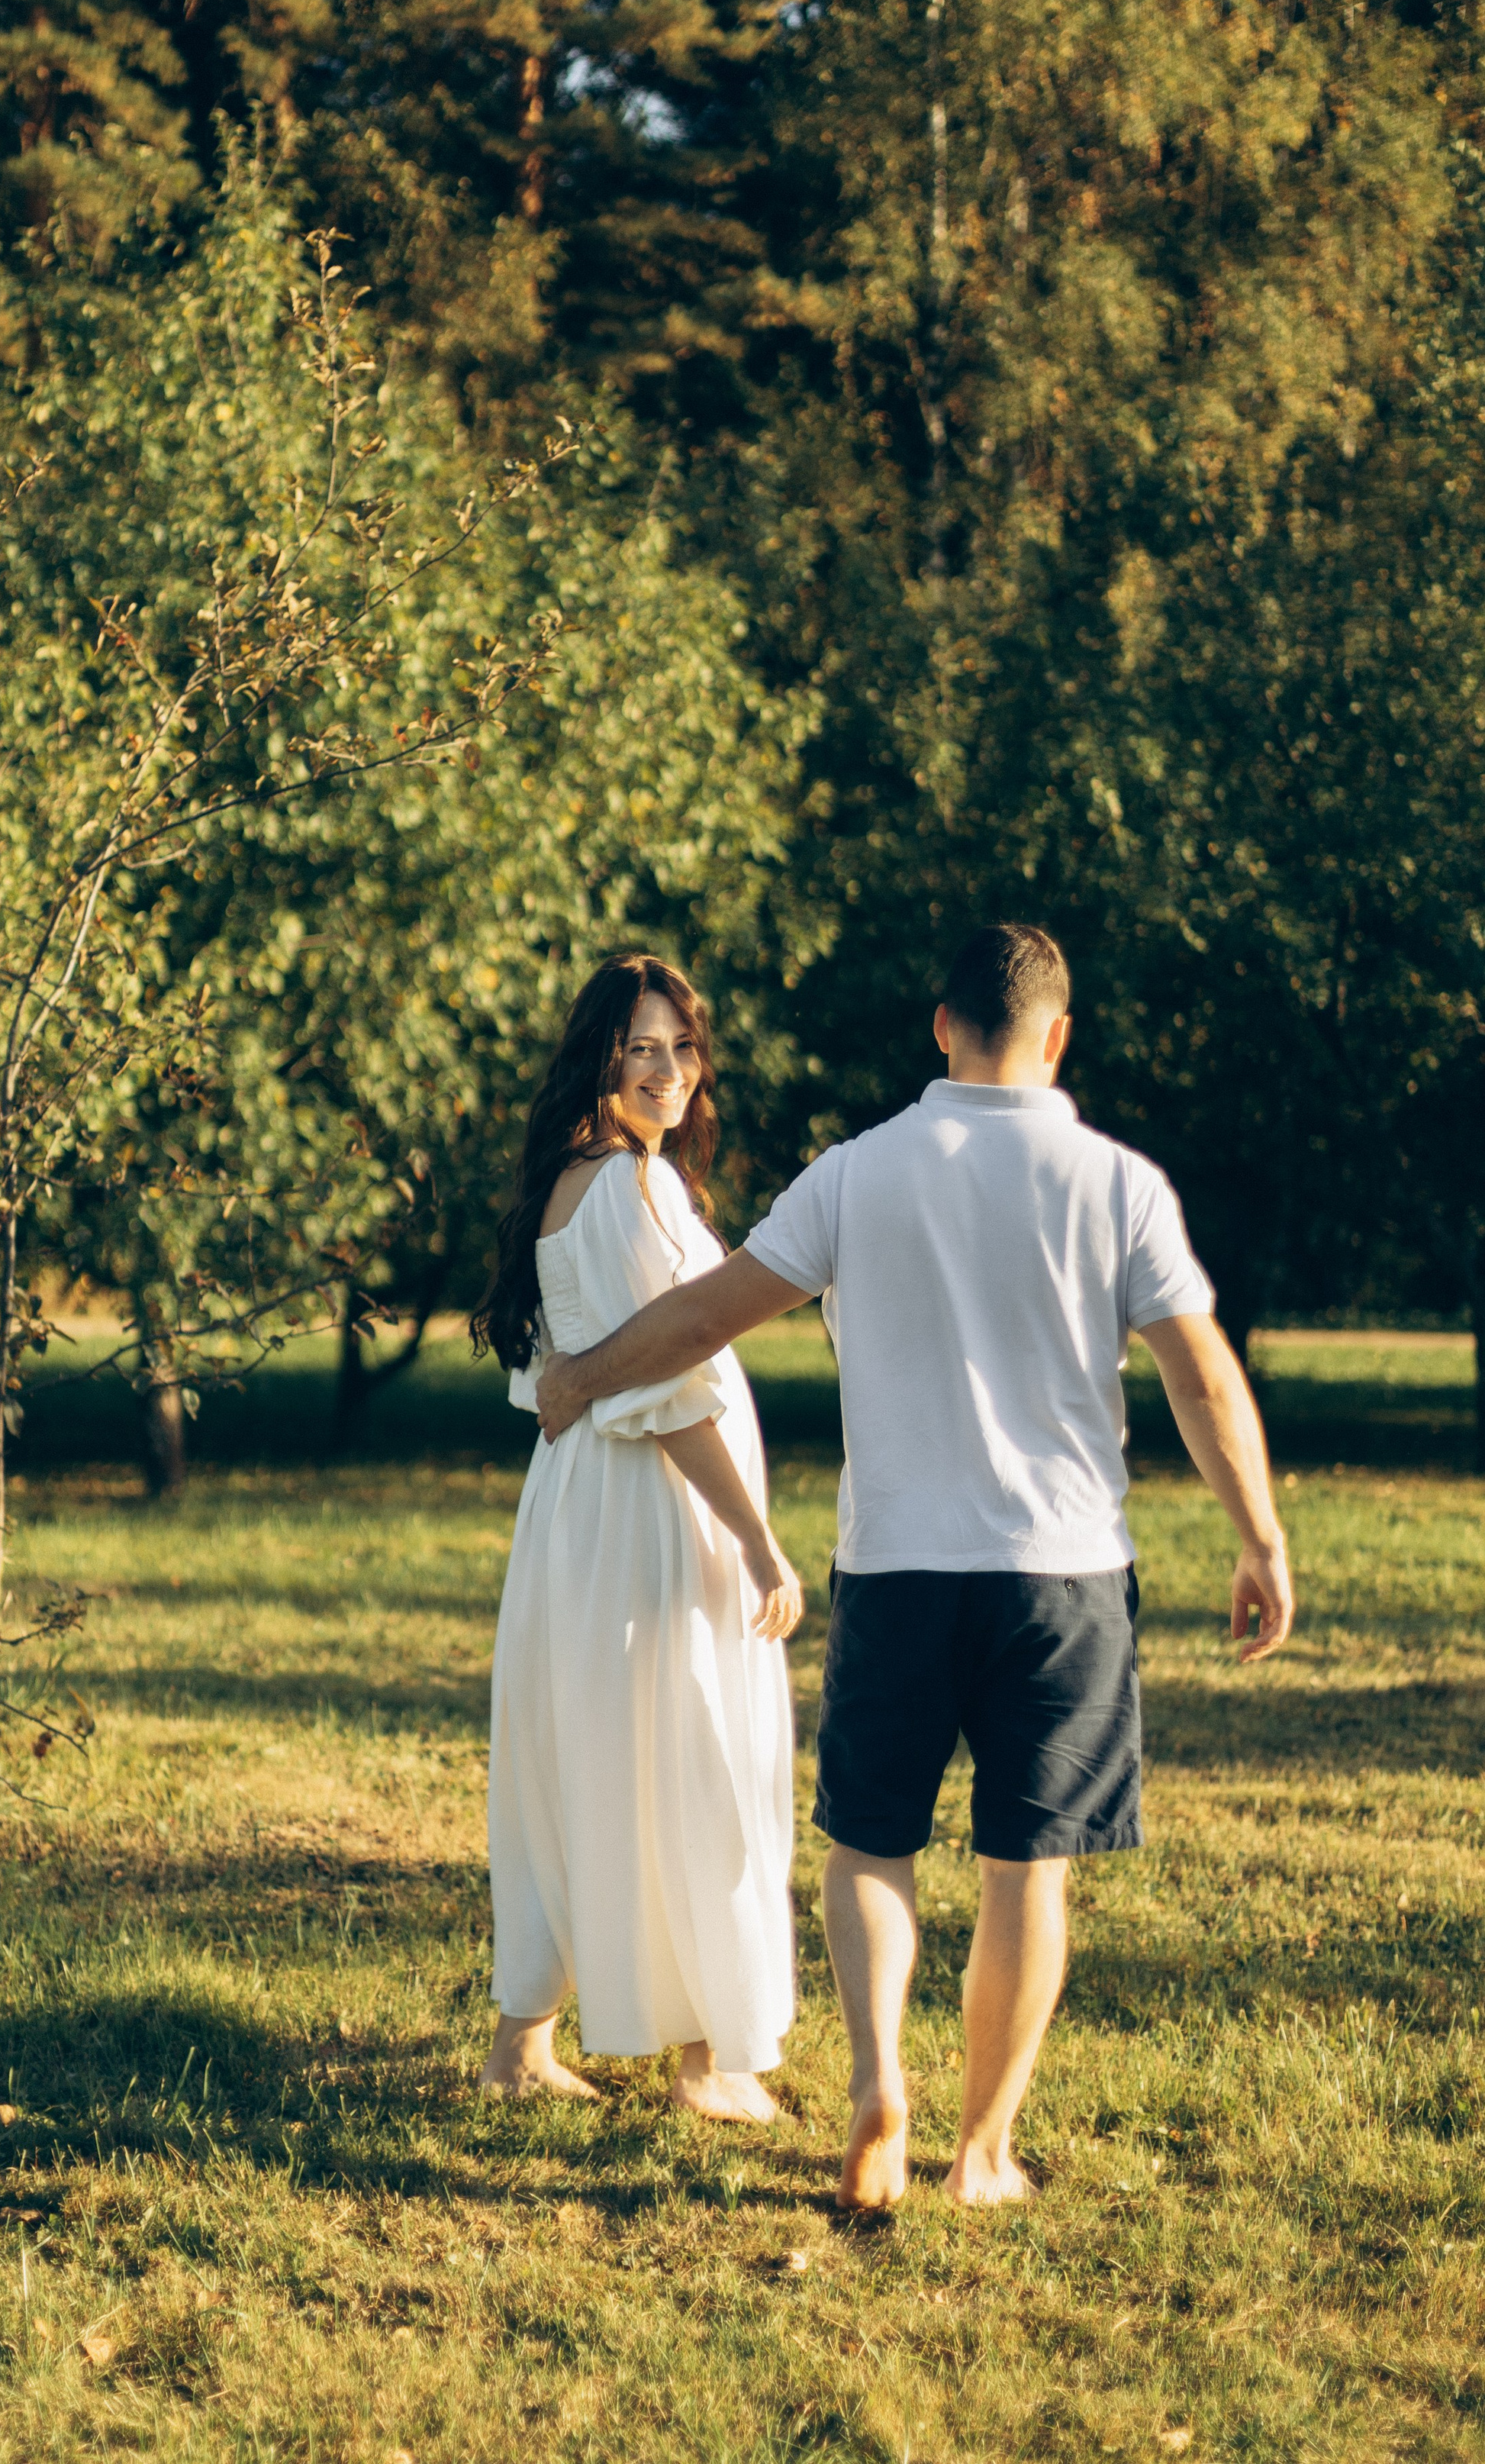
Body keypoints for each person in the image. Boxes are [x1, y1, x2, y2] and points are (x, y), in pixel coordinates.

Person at [536, 924, 1294, 2204]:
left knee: (872, 1850)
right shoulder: (1119, 1183)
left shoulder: (856, 1175)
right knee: (1026, 1867)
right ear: (1057, 1037)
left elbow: (707, 1315)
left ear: (941, 1028)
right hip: (1064, 1577)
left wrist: (582, 1379)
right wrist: (1259, 1535)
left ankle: (879, 2087)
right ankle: (982, 2150)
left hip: (895, 1571)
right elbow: (1198, 1371)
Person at [472, 953, 807, 2121]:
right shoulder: (626, 1189)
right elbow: (668, 1394)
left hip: (581, 1511)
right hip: (651, 1519)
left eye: (681, 1047)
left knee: (589, 1762)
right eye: (640, 1050)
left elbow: (553, 1380)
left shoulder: (580, 1183)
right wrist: (758, 1542)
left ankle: (525, 2041)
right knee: (694, 1761)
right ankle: (708, 2062)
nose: (668, 1070)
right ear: (600, 1062)